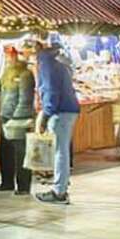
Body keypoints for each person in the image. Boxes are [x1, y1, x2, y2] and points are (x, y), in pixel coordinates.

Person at [35, 39, 81, 205]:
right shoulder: (58, 63)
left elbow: (50, 91)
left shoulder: (46, 64)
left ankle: (59, 192)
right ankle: (61, 185)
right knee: (62, 150)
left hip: (60, 111)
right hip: (68, 109)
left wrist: (46, 115)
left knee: (60, 151)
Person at [0, 45, 35, 193]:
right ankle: (6, 182)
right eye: (7, 56)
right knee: (5, 151)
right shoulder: (6, 74)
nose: (8, 59)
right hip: (5, 116)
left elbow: (25, 99)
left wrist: (16, 118)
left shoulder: (25, 75)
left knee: (20, 153)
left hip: (19, 119)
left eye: (10, 56)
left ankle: (23, 186)